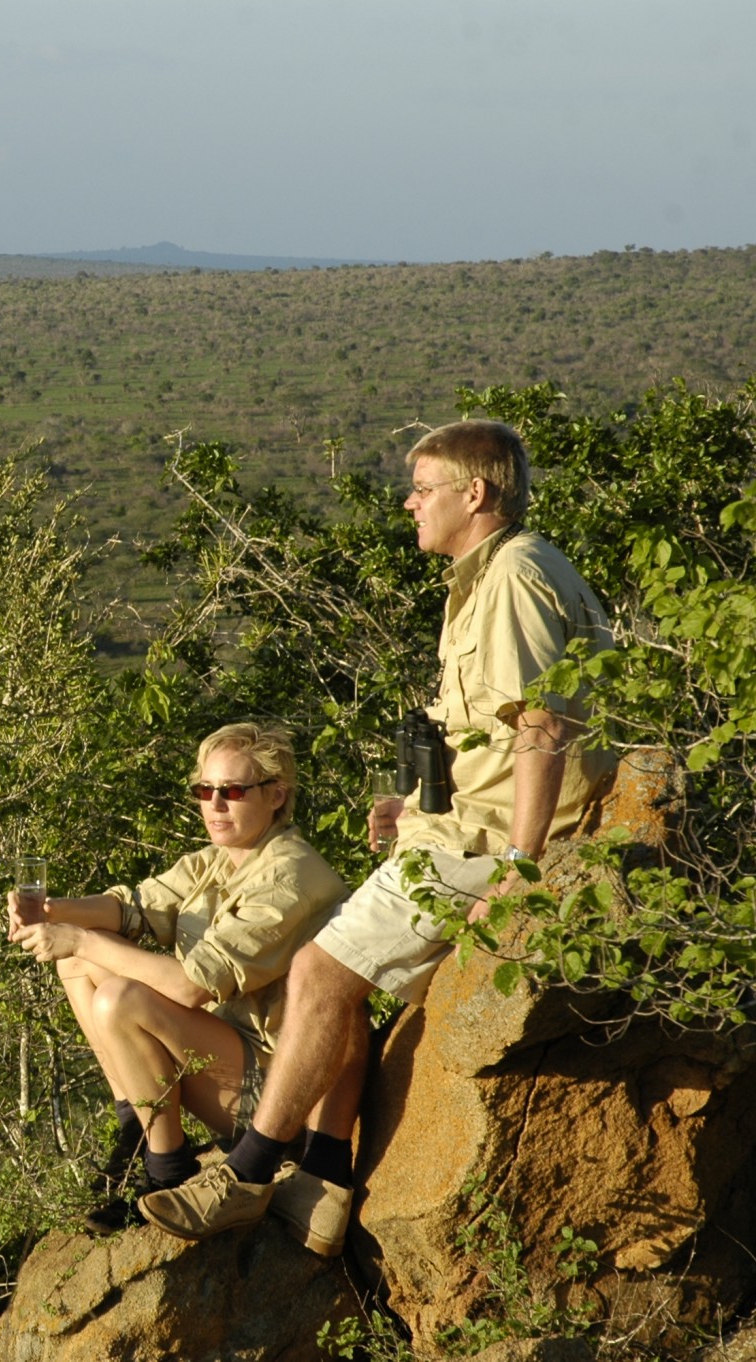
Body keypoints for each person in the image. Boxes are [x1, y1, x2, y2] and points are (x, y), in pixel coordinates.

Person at [139, 419, 614, 1257]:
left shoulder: (512, 577)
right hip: (460, 827)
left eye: (424, 487)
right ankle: (323, 1177)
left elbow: (544, 724)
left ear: (476, 494)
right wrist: (413, 807)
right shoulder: (493, 575)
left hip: (482, 847)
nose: (409, 502)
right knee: (329, 975)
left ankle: (248, 1174)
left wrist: (520, 865)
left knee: (320, 971)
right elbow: (495, 732)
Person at [8, 722, 348, 1230]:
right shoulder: (216, 862)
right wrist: (54, 912)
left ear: (277, 795)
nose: (215, 804)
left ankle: (165, 1170)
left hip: (279, 1090)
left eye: (232, 791)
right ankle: (135, 1131)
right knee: (78, 962)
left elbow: (193, 985)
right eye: (204, 790)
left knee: (120, 995)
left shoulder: (288, 875)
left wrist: (79, 936)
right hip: (225, 1053)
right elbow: (134, 907)